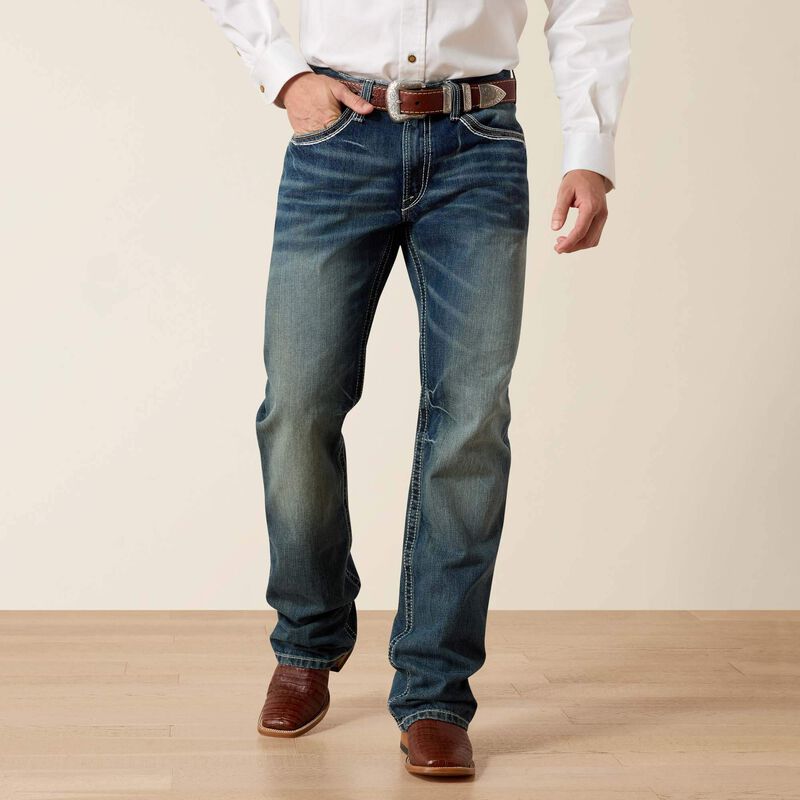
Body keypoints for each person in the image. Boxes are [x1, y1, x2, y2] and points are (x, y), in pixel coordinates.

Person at [201, 0, 632, 778]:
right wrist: (283, 73)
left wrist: (590, 149)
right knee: (296, 406)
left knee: (470, 421)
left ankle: (436, 693)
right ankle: (306, 642)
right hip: (338, 138)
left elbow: (588, 7)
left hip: (479, 146)